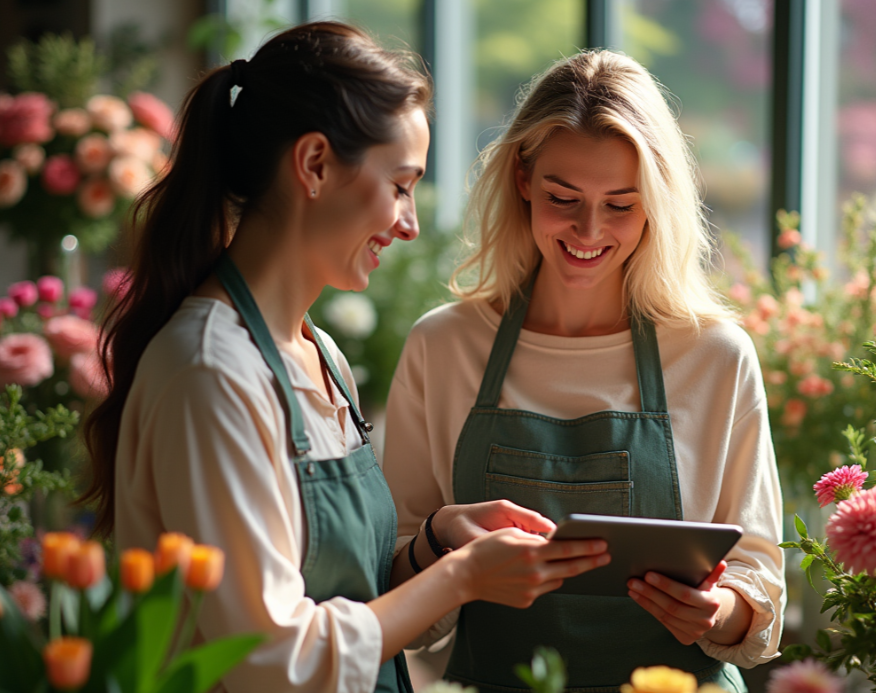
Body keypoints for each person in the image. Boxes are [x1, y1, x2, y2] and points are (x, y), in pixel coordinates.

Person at [80, 23, 610, 693]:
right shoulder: (211, 372)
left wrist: (435, 545)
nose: (410, 223)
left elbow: (351, 599)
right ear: (315, 164)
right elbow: (271, 658)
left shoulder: (317, 353)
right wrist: (462, 577)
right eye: (400, 185)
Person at [383, 49, 785, 692]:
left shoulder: (715, 356)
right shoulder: (444, 346)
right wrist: (438, 544)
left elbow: (760, 586)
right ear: (521, 177)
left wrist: (719, 612)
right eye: (562, 197)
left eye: (621, 205)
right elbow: (395, 590)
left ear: (656, 202)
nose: (588, 230)